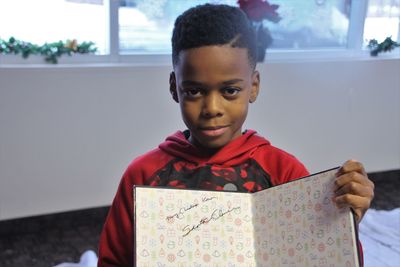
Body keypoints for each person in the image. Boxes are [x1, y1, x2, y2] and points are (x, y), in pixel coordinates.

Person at [98, 4, 374, 267]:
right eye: (194, 91)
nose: (212, 109)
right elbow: (114, 261)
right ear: (174, 88)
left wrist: (345, 221)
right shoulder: (143, 174)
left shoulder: (284, 173)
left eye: (230, 91)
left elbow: (321, 258)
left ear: (253, 87)